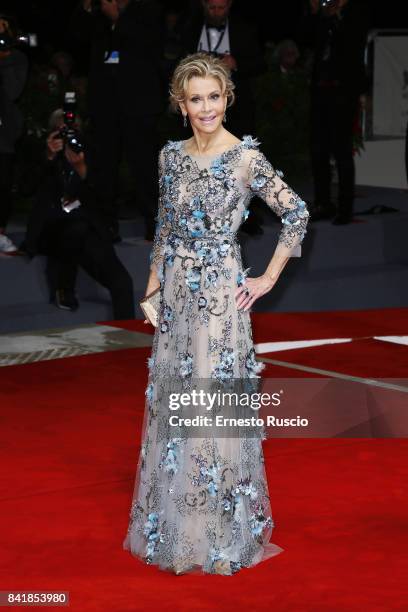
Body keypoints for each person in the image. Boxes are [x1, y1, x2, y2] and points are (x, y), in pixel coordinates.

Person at [123, 53, 309, 575]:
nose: (206, 107)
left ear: (227, 98)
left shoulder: (245, 158)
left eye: (214, 96)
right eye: (195, 98)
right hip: (176, 298)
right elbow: (163, 227)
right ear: (181, 105)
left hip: (220, 300)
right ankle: (175, 526)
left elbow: (296, 212)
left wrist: (268, 277)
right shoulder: (170, 157)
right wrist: (152, 290)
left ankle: (218, 534)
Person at [23, 108, 135, 319]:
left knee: (122, 281)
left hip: (87, 230)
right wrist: (48, 157)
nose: (68, 136)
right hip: (54, 230)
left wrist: (83, 169)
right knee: (74, 229)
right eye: (62, 130)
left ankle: (128, 338)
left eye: (73, 130)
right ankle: (63, 287)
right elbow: (25, 188)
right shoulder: (43, 155)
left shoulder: (90, 152)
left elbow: (106, 196)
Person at [71, 0, 163, 241]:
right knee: (104, 168)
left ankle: (155, 224)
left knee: (144, 167)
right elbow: (78, 39)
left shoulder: (146, 11)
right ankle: (105, 225)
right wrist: (89, 9)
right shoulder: (97, 15)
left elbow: (149, 45)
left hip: (138, 104)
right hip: (105, 105)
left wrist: (118, 18)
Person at [181, 0, 266, 235]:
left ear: (229, 6)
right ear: (203, 6)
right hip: (200, 107)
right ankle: (203, 216)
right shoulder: (188, 28)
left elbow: (260, 63)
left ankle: (246, 217)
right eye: (212, 8)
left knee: (241, 159)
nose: (216, 13)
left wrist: (236, 64)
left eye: (221, 8)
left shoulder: (244, 29)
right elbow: (171, 61)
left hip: (235, 106)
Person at [299, 0, 370, 224]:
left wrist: (336, 16)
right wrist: (314, 13)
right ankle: (323, 203)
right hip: (321, 89)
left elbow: (353, 46)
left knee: (341, 148)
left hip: (344, 90)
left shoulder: (354, 14)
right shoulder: (323, 16)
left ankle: (345, 207)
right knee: (318, 147)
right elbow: (307, 41)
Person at [0, 15, 28, 253]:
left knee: (2, 183)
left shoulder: (16, 59)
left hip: (4, 133)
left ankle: (0, 233)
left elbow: (12, 91)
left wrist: (4, 57)